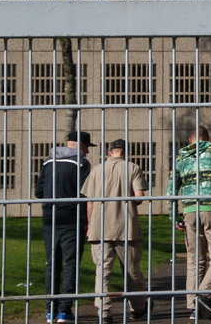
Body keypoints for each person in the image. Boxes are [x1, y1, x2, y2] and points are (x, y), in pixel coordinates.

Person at [167, 126, 211, 321]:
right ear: (208, 138)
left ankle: (192, 305)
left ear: (190, 140)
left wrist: (174, 215)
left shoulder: (181, 157)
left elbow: (172, 187)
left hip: (190, 211)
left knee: (195, 259)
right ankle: (204, 296)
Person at [82, 139, 148, 324]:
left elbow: (90, 202)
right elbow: (139, 198)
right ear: (124, 152)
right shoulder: (132, 168)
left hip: (99, 227)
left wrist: (89, 225)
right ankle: (138, 307)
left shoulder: (96, 170)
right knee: (131, 270)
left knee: (102, 271)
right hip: (125, 227)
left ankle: (104, 312)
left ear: (109, 152)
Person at [35, 131, 95, 323]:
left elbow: (38, 191)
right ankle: (65, 311)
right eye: (87, 147)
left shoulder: (48, 162)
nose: (87, 151)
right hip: (71, 218)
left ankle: (50, 310)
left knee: (52, 263)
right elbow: (84, 194)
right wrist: (87, 222)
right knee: (70, 263)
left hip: (49, 217)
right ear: (79, 145)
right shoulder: (81, 163)